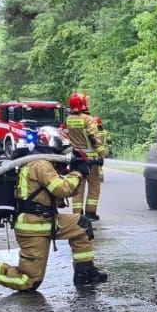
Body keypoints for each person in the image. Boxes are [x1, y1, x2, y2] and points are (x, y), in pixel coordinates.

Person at [0, 126, 108, 292]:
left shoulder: (42, 163)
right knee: (28, 281)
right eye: (60, 150)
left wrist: (76, 170)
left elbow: (63, 194)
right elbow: (62, 189)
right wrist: (78, 173)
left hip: (46, 220)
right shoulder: (41, 164)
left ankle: (85, 272)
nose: (62, 154)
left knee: (81, 225)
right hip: (33, 227)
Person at [63, 92, 107, 220]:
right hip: (91, 160)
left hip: (76, 159)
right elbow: (94, 137)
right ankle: (90, 213)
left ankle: (77, 214)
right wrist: (102, 154)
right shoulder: (88, 119)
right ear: (83, 104)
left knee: (78, 187)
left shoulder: (69, 119)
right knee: (94, 186)